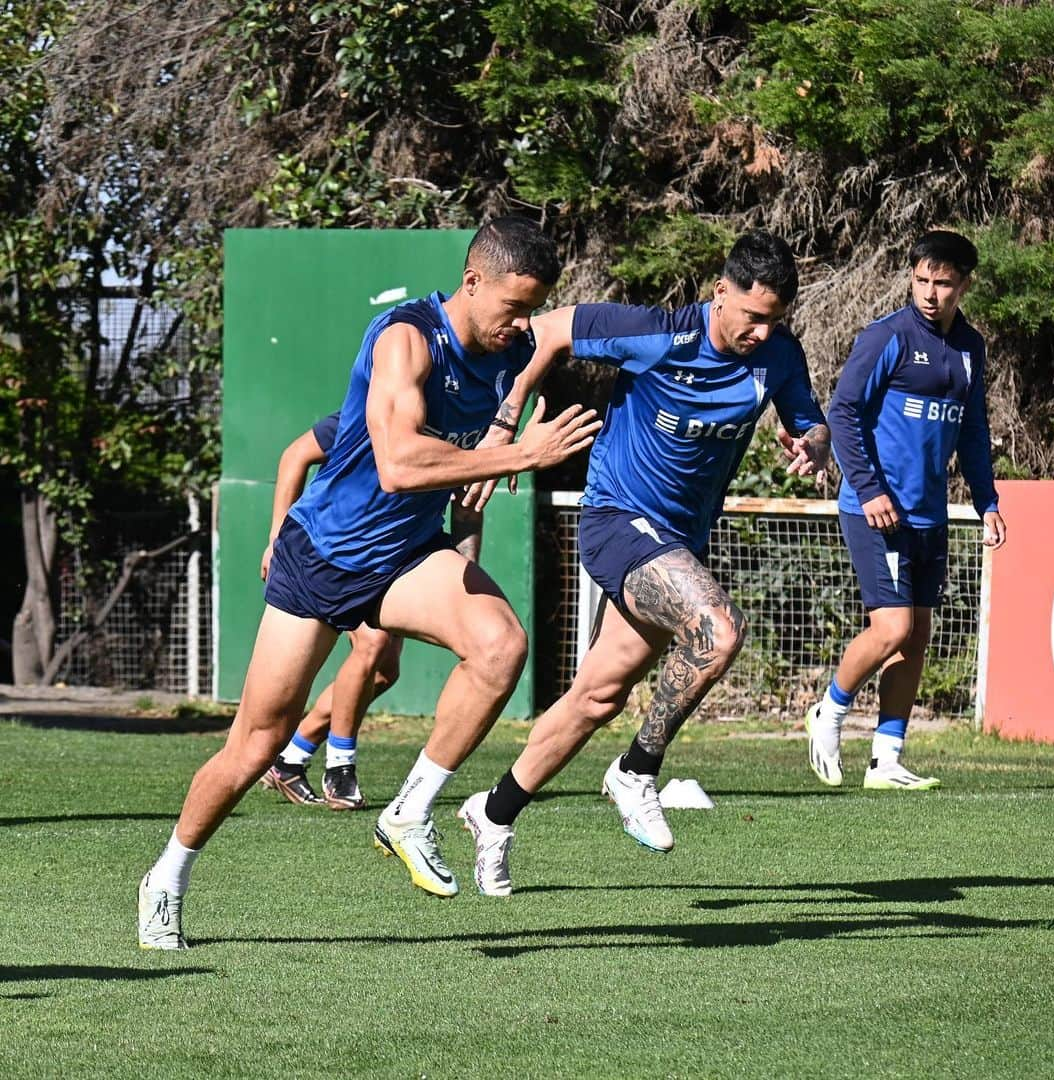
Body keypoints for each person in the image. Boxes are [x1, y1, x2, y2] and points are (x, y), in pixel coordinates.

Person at [137, 217, 601, 948]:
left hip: (405, 555)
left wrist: (500, 440)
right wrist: (515, 458)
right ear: (471, 280)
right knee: (255, 745)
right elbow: (399, 464)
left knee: (500, 647)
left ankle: (409, 812)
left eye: (532, 308)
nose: (522, 324)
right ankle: (167, 877)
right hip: (323, 556)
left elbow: (541, 361)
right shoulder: (404, 338)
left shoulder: (510, 351)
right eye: (513, 307)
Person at [456, 229, 831, 897]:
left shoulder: (778, 356)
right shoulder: (656, 334)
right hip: (616, 521)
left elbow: (811, 421)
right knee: (718, 630)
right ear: (721, 293)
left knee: (596, 697)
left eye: (775, 320)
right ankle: (635, 770)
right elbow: (548, 330)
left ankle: (494, 812)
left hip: (677, 544)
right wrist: (504, 420)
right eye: (752, 316)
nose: (761, 331)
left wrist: (815, 443)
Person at [805, 230, 1006, 791]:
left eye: (943, 283)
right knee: (891, 628)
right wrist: (869, 490)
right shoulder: (887, 335)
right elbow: (843, 412)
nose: (930, 293)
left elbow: (972, 428)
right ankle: (831, 710)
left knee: (916, 633)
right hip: (875, 508)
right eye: (921, 280)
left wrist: (987, 500)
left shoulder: (970, 348)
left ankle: (886, 759)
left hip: (928, 514)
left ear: (964, 285)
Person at [256, 413, 483, 810]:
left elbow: (468, 500)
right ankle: (340, 768)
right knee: (371, 645)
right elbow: (296, 454)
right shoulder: (368, 415)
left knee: (383, 672)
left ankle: (292, 755)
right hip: (338, 553)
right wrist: (276, 535)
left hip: (401, 555)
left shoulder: (459, 425)